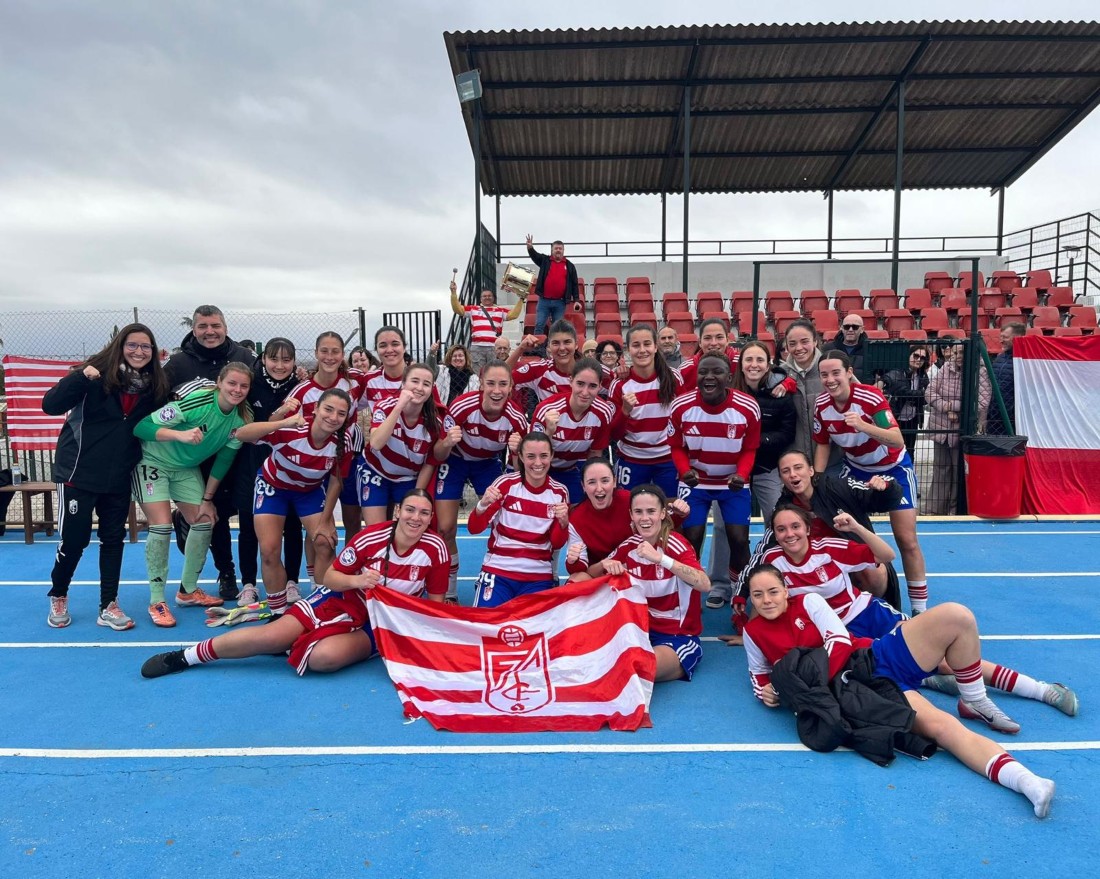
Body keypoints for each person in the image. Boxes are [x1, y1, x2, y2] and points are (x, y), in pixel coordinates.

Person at [742, 565, 1056, 818]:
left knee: (956, 616)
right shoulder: (752, 632)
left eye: (773, 591)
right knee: (943, 728)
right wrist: (767, 693)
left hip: (872, 657)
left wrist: (806, 681)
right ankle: (1028, 782)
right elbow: (758, 676)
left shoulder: (809, 601)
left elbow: (839, 640)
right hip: (857, 693)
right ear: (751, 600)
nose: (767, 600)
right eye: (758, 595)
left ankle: (974, 698)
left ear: (786, 590)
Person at [760, 504, 1076, 729]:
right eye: (781, 529)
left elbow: (886, 556)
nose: (789, 534)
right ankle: (934, 679)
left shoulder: (828, 547)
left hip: (869, 616)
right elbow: (758, 597)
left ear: (808, 528)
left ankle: (1039, 689)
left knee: (946, 659)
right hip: (839, 637)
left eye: (795, 526)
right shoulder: (772, 560)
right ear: (774, 533)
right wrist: (744, 628)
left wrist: (856, 528)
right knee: (905, 671)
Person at [140, 490, 449, 680]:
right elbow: (331, 578)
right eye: (410, 510)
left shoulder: (436, 549)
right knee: (271, 636)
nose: (416, 518)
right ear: (398, 512)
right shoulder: (371, 538)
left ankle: (295, 642)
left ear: (430, 518)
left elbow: (434, 604)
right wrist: (359, 580)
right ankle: (186, 656)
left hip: (382, 622)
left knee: (323, 660)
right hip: (343, 600)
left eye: (424, 513)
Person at [43, 323, 170, 630]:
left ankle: (108, 605)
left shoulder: (154, 387)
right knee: (74, 540)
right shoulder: (94, 376)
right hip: (78, 472)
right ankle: (58, 593)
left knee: (113, 540)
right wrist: (79, 377)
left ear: (153, 352)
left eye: (146, 346)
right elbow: (50, 405)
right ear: (120, 347)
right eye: (132, 345)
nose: (139, 351)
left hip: (118, 475)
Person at [133, 362, 254, 627]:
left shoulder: (242, 419)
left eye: (243, 386)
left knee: (204, 520)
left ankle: (187, 591)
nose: (237, 390)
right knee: (161, 526)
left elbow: (224, 459)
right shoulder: (197, 402)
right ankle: (157, 600)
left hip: (185, 469)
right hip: (153, 462)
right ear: (219, 382)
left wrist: (207, 499)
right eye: (232, 383)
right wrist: (180, 435)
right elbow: (141, 427)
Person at [814, 350, 930, 614]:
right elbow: (822, 443)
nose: (830, 380)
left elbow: (896, 439)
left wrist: (863, 426)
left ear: (849, 373)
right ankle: (854, 597)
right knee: (847, 534)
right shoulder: (821, 405)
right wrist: (817, 478)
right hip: (855, 471)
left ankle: (919, 609)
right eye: (824, 375)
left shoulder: (870, 397)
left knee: (906, 539)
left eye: (836, 373)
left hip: (893, 469)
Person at [164, 305, 257, 600]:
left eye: (215, 325)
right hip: (198, 456)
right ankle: (226, 571)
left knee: (244, 512)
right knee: (213, 513)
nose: (210, 331)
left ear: (225, 328)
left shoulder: (245, 358)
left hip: (237, 450)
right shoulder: (178, 364)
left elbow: (265, 389)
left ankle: (250, 578)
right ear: (194, 329)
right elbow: (157, 402)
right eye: (203, 326)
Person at [233, 388, 351, 614]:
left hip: (309, 491)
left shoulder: (342, 441)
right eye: (328, 409)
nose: (333, 417)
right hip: (273, 487)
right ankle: (278, 613)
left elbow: (336, 481)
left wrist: (326, 521)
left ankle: (321, 607)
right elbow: (241, 433)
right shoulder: (292, 431)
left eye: (341, 413)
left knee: (325, 542)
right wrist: (282, 422)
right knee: (269, 550)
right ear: (315, 409)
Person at [669, 353, 761, 608]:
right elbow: (676, 446)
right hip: (695, 482)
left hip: (733, 482)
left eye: (717, 372)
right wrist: (684, 470)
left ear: (729, 377)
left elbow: (750, 449)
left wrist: (742, 474)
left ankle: (741, 594)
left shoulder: (747, 406)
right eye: (703, 372)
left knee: (739, 539)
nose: (709, 377)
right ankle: (688, 597)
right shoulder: (681, 406)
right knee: (691, 537)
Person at [433, 361, 528, 602]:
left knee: (505, 523)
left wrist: (516, 453)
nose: (496, 390)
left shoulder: (516, 418)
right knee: (445, 528)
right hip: (455, 461)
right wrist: (447, 442)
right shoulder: (462, 407)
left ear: (511, 387)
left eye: (503, 384)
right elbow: (438, 454)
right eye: (491, 383)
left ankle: (502, 580)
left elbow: (519, 473)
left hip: (487, 463)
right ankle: (450, 593)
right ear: (481, 385)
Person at [603, 485, 711, 682]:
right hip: (639, 631)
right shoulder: (630, 545)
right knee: (598, 660)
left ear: (662, 513)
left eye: (651, 511)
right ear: (631, 515)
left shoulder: (676, 545)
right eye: (638, 512)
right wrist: (605, 564)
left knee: (639, 669)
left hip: (677, 637)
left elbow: (704, 584)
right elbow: (589, 575)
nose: (645, 518)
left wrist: (661, 559)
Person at [236, 338, 305, 607]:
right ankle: (248, 584)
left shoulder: (300, 386)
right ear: (263, 359)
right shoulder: (250, 385)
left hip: (289, 466)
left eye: (286, 360)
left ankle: (291, 582)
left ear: (294, 362)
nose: (279, 365)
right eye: (274, 359)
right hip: (251, 464)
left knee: (292, 525)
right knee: (248, 526)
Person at [288, 332, 370, 550]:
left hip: (349, 462)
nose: (330, 357)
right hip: (316, 466)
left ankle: (350, 564)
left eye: (335, 351)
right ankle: (316, 572)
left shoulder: (356, 380)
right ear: (316, 353)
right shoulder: (302, 391)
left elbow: (383, 382)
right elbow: (284, 425)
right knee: (317, 526)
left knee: (353, 520)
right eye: (324, 351)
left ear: (343, 354)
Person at [468, 432, 570, 607]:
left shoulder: (559, 492)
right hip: (498, 570)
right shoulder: (505, 484)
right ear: (521, 457)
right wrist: (482, 505)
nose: (538, 463)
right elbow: (474, 528)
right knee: (485, 621)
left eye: (543, 456)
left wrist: (563, 523)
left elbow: (557, 543)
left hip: (538, 576)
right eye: (531, 456)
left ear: (552, 456)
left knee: (534, 624)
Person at [609, 323, 685, 499]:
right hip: (632, 460)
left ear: (655, 347)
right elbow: (614, 434)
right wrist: (625, 411)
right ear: (628, 350)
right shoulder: (619, 384)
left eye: (647, 344)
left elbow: (684, 421)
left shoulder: (673, 378)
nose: (642, 350)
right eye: (636, 345)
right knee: (628, 508)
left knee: (671, 509)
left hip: (668, 460)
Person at [362, 363, 441, 526]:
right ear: (403, 383)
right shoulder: (385, 406)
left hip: (407, 477)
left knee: (408, 527)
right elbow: (376, 443)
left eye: (426, 384)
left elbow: (429, 464)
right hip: (376, 470)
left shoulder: (434, 423)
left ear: (431, 389)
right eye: (415, 381)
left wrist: (416, 495)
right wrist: (399, 407)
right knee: (376, 530)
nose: (419, 388)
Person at [531, 358, 615, 503]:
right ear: (571, 381)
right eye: (580, 384)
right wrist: (548, 432)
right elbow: (532, 454)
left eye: (592, 386)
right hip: (540, 471)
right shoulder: (547, 410)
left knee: (579, 507)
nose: (585, 392)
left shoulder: (603, 413)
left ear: (600, 387)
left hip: (572, 469)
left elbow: (595, 454)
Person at [732, 340, 797, 523]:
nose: (754, 365)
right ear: (741, 365)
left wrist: (758, 441)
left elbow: (787, 433)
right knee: (726, 527)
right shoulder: (728, 392)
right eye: (749, 359)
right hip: (733, 470)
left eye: (760, 360)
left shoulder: (781, 393)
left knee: (778, 519)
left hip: (767, 468)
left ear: (768, 365)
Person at [925, 343, 991, 515]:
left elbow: (981, 403)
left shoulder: (980, 372)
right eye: (956, 352)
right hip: (941, 428)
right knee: (940, 470)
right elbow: (929, 393)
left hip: (963, 432)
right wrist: (946, 407)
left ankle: (954, 511)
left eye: (962, 352)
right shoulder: (946, 367)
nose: (958, 356)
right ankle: (934, 510)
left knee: (958, 473)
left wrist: (954, 407)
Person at [450, 280, 524, 374]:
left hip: (494, 347)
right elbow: (457, 309)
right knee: (477, 374)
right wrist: (453, 293)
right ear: (480, 299)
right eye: (484, 296)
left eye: (489, 296)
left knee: (493, 372)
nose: (487, 297)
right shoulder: (473, 309)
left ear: (493, 298)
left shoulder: (500, 310)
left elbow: (513, 315)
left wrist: (521, 300)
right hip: (477, 346)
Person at [508, 319, 579, 405]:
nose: (562, 348)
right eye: (556, 343)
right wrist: (521, 348)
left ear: (576, 344)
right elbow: (500, 377)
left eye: (567, 342)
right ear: (549, 346)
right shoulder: (539, 370)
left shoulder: (589, 371)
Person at [879, 345, 931, 461]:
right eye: (916, 356)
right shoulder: (898, 372)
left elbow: (927, 397)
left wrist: (917, 396)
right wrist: (919, 394)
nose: (918, 360)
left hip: (913, 418)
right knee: (893, 450)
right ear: (909, 356)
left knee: (910, 450)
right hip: (897, 417)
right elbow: (903, 391)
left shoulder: (922, 375)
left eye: (922, 358)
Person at [526, 234, 581, 339]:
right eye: (556, 248)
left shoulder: (570, 266)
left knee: (557, 328)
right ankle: (538, 346)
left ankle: (554, 346)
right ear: (552, 250)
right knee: (539, 325)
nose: (558, 250)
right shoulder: (545, 260)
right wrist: (530, 248)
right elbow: (535, 256)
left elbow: (574, 284)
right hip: (544, 301)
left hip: (560, 303)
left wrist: (577, 300)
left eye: (560, 248)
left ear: (563, 250)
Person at [986, 322, 1026, 436]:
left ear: (1017, 337)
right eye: (1001, 337)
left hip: (1014, 418)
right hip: (994, 416)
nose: (1001, 341)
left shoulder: (1025, 361)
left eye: (1005, 337)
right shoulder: (999, 358)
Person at [677, 317, 740, 388]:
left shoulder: (741, 364)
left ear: (727, 340)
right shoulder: (685, 370)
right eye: (707, 338)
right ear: (700, 342)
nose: (713, 343)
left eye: (719, 337)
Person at [824, 315, 869, 382]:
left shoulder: (871, 349)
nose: (850, 330)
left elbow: (883, 373)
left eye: (855, 327)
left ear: (862, 329)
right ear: (842, 328)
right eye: (846, 327)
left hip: (864, 388)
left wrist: (880, 383)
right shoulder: (827, 349)